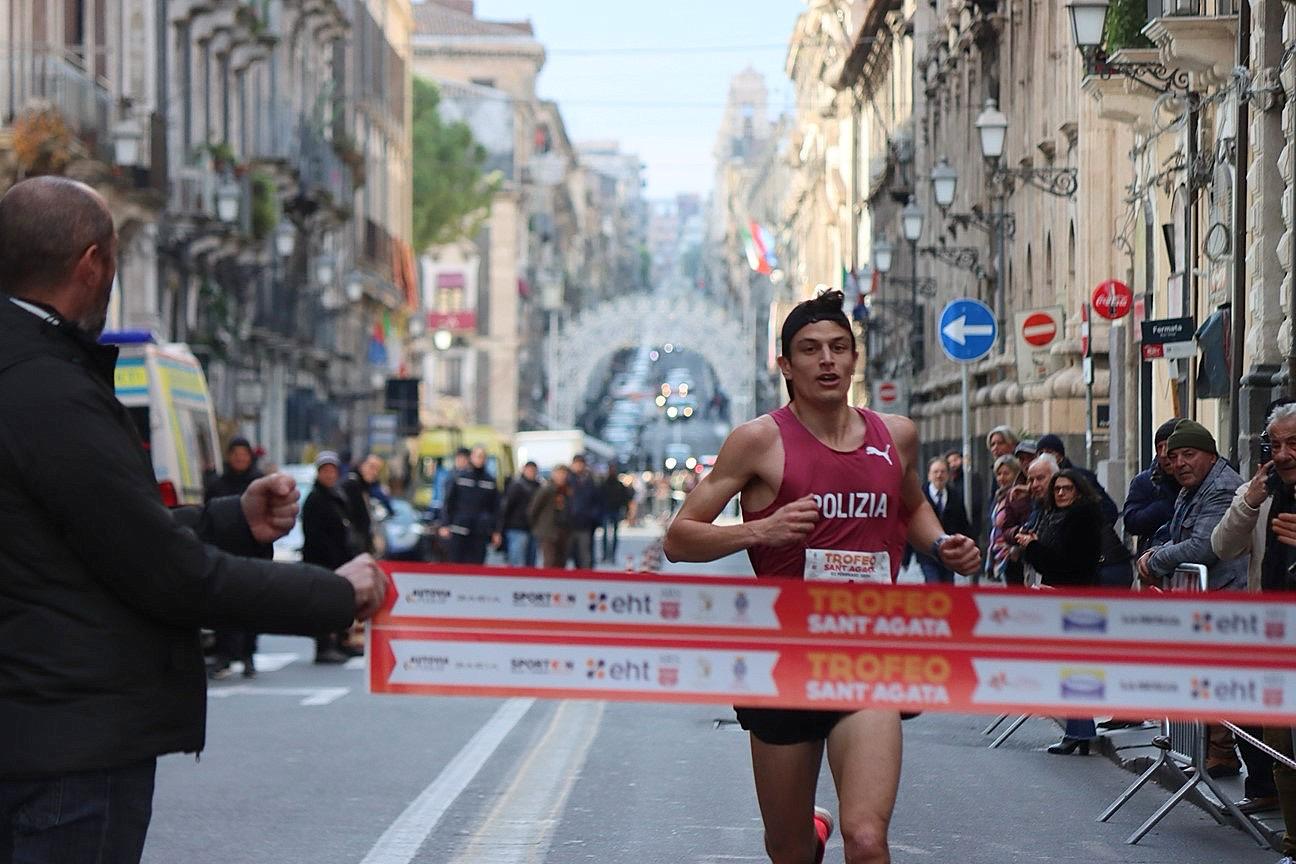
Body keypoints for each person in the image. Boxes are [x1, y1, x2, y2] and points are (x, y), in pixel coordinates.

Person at [0, 176, 388, 864]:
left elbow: (90, 534)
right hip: (63, 747)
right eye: (115, 263)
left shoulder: (30, 372)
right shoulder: (47, 387)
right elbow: (167, 575)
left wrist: (230, 521)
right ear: (91, 264)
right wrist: (337, 593)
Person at [662, 290, 980, 864]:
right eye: (810, 350)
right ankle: (808, 833)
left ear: (855, 359)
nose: (827, 360)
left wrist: (941, 544)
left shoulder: (896, 435)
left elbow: (908, 507)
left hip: (869, 651)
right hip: (786, 658)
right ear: (786, 365)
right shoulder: (758, 441)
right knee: (787, 849)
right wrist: (761, 531)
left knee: (867, 839)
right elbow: (679, 538)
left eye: (839, 347)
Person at [1137, 419, 1249, 777]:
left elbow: (1203, 547)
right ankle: (1214, 752)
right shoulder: (1190, 489)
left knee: (1221, 679)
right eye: (1175, 456)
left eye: (1190, 454)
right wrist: (1157, 551)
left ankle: (1225, 754)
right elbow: (1178, 535)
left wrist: (1156, 559)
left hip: (1226, 597)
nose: (1181, 462)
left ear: (1210, 454)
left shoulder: (1220, 488)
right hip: (1204, 600)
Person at [1212, 402, 1296, 834]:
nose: (1282, 454)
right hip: (1273, 636)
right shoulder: (1261, 494)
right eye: (1275, 444)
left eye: (1293, 443)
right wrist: (1249, 502)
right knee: (1281, 748)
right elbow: (1223, 545)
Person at [1016, 469, 1103, 753]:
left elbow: (1066, 565)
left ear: (1078, 490)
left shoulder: (1081, 518)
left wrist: (1033, 547)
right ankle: (1080, 731)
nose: (1062, 493)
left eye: (1067, 488)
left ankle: (1079, 733)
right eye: (1058, 489)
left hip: (1074, 598)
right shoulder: (1056, 517)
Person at [204, 437, 265, 679]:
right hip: (224, 552)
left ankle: (248, 655)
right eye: (235, 454)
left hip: (253, 553)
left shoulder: (258, 483)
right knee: (224, 607)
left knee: (252, 607)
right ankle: (224, 655)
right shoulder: (217, 484)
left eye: (244, 454)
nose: (240, 458)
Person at [302, 451, 366, 663]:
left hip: (341, 560)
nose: (329, 475)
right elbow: (314, 535)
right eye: (325, 471)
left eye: (332, 471)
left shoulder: (337, 495)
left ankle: (341, 641)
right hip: (322, 561)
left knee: (340, 604)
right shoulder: (315, 499)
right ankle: (324, 646)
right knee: (323, 606)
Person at [1122, 418, 1182, 555]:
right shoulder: (1144, 481)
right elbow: (1131, 521)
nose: (1163, 454)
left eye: (1168, 447)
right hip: (1153, 559)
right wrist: (1161, 509)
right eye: (1159, 447)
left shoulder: (1197, 481)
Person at [1035, 433, 1119, 525]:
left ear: (1060, 456)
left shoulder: (1082, 477)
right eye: (1041, 453)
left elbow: (1108, 509)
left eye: (1049, 452)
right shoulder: (1037, 483)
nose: (1044, 456)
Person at [439, 445, 501, 564]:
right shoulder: (459, 478)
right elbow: (448, 502)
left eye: (482, 457)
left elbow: (496, 507)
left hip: (480, 531)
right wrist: (445, 524)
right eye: (477, 456)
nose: (480, 459)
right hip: (459, 529)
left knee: (477, 566)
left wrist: (496, 531)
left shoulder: (489, 481)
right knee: (456, 566)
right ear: (471, 457)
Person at [918, 457, 973, 584]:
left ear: (948, 475)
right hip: (927, 553)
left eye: (942, 472)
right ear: (929, 475)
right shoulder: (921, 496)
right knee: (934, 583)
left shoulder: (954, 495)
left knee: (948, 585)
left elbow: (963, 523)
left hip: (949, 553)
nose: (939, 475)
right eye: (935, 472)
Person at [985, 454, 1030, 585]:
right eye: (999, 474)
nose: (1002, 478)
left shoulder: (1018, 495)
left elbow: (1024, 522)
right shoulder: (999, 495)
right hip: (1001, 554)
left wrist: (1015, 548)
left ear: (1016, 474)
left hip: (1014, 556)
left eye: (1006, 473)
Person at [528, 464, 573, 568]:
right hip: (548, 531)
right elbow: (533, 509)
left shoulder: (568, 490)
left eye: (564, 474)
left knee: (561, 562)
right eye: (559, 474)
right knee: (549, 561)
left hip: (563, 530)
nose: (562, 477)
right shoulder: (547, 489)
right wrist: (538, 526)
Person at [498, 461, 541, 567]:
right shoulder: (516, 486)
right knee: (516, 560)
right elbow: (506, 507)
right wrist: (501, 528)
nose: (531, 473)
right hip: (517, 528)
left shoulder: (538, 487)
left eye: (533, 471)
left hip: (532, 528)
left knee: (531, 561)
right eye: (529, 470)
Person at [566, 453, 602, 569]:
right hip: (569, 524)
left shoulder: (590, 481)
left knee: (585, 554)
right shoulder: (566, 481)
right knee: (570, 554)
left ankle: (586, 577)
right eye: (576, 464)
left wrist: (593, 517)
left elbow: (597, 501)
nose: (578, 466)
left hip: (585, 523)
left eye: (581, 464)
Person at [599, 464, 633, 563]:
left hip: (614, 510)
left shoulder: (617, 485)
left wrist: (626, 510)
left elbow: (625, 498)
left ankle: (610, 555)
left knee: (613, 535)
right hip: (608, 510)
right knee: (607, 534)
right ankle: (607, 555)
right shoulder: (605, 484)